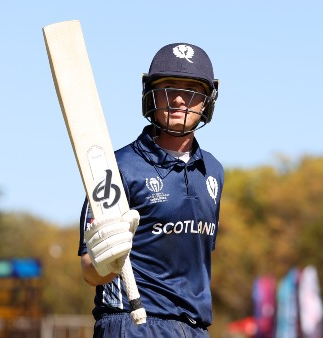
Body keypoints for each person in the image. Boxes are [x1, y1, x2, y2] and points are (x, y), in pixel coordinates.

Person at [78, 42, 224, 337]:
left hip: (196, 329)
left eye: (192, 89)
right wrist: (104, 257)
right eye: (169, 87)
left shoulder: (213, 172)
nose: (180, 99)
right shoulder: (117, 167)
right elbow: (89, 271)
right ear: (151, 94)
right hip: (133, 323)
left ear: (207, 100)